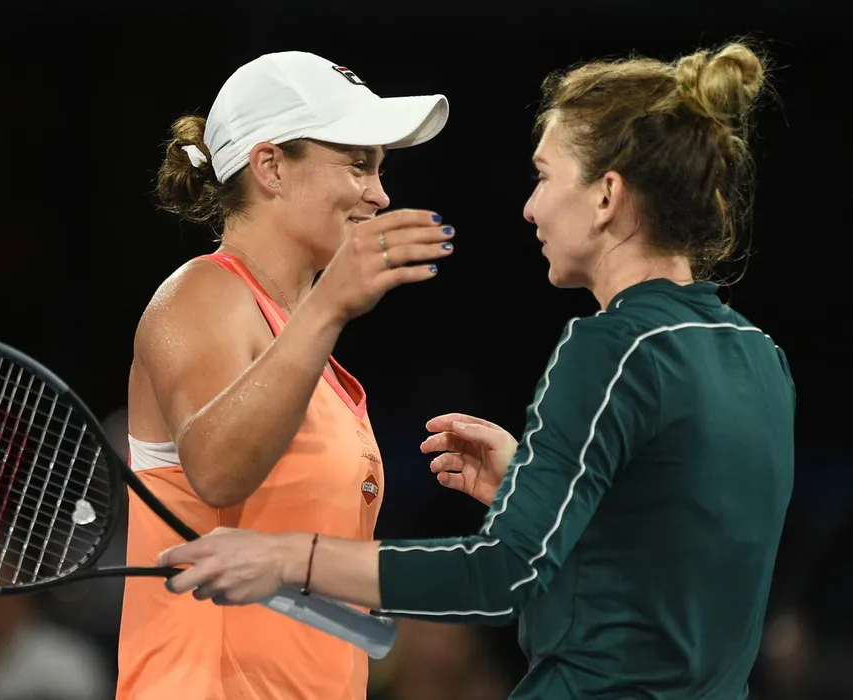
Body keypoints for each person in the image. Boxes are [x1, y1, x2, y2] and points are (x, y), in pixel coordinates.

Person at [159, 40, 796, 700]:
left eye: (544, 177)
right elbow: (671, 579)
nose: (530, 208)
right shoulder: (762, 356)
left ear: (607, 195)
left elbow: (500, 576)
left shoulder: (614, 348)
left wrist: (284, 557)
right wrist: (538, 489)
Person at [118, 51, 452, 700]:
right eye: (357, 164)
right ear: (270, 167)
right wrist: (329, 307)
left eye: (380, 168)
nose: (380, 194)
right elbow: (218, 472)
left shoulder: (306, 348)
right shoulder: (201, 295)